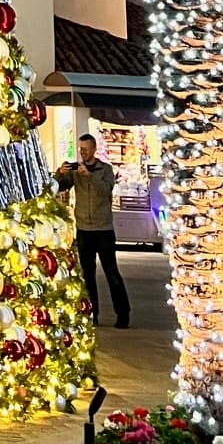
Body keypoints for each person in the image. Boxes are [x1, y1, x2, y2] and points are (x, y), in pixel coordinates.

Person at [56, 134, 131, 327]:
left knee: (111, 272)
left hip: (103, 229)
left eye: (86, 149)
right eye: (81, 149)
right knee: (87, 275)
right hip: (83, 230)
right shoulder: (76, 171)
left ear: (94, 149)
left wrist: (89, 177)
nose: (83, 152)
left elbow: (106, 191)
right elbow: (60, 187)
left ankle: (123, 313)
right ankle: (91, 314)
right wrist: (61, 173)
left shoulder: (105, 169)